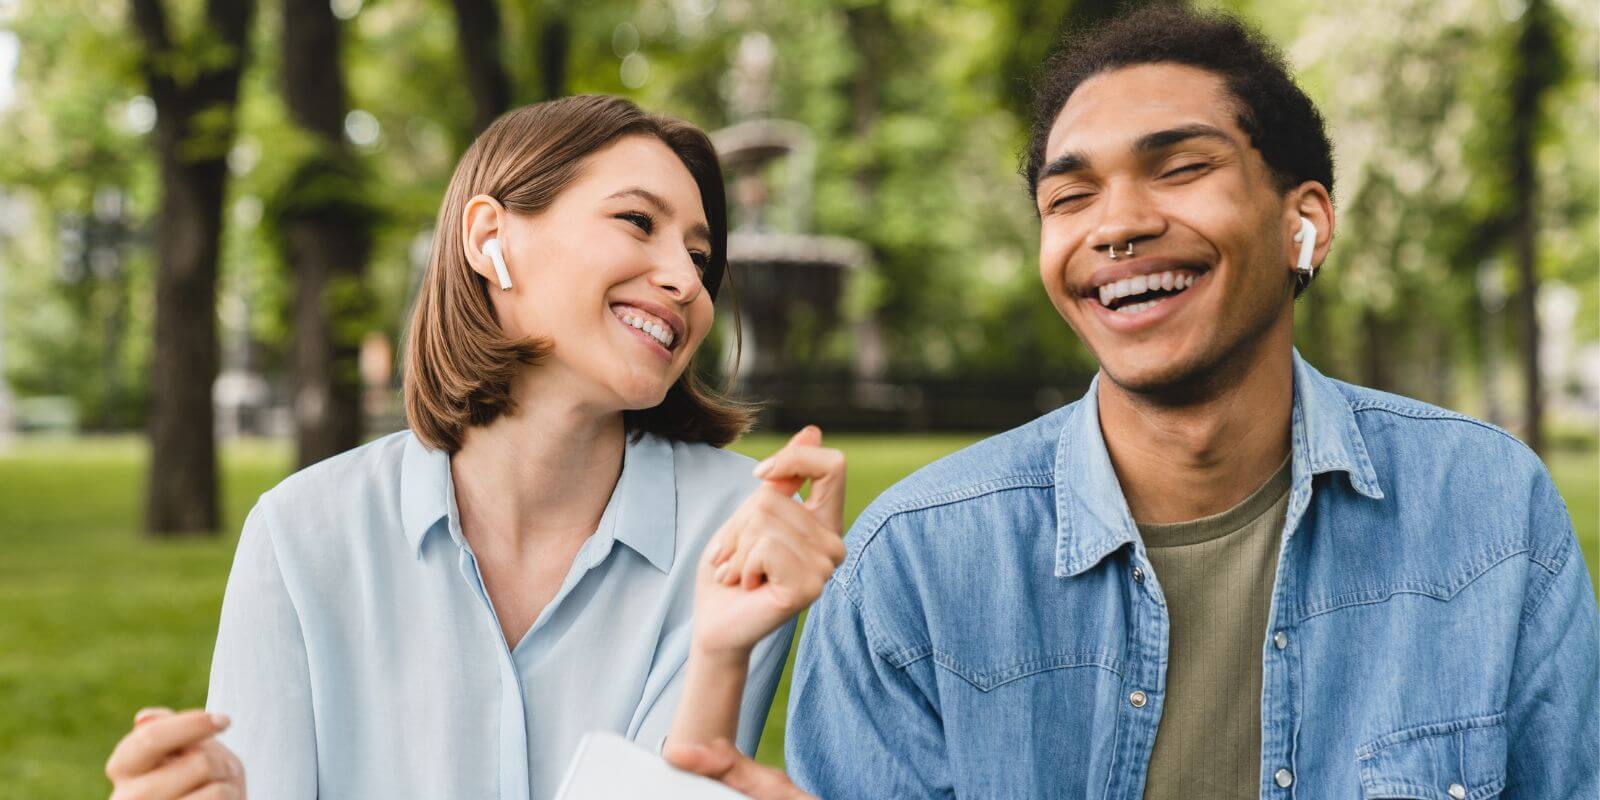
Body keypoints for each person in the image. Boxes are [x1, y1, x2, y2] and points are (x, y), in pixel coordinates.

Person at [676, 7, 1600, 799]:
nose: (1115, 224)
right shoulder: (912, 569)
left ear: (1302, 222)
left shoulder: (1490, 512)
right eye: (1069, 196)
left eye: (1180, 168)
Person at [102, 94, 848, 800]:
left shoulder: (744, 524)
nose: (686, 281)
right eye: (636, 221)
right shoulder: (301, 533)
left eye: (700, 256)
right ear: (490, 239)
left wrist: (719, 655)